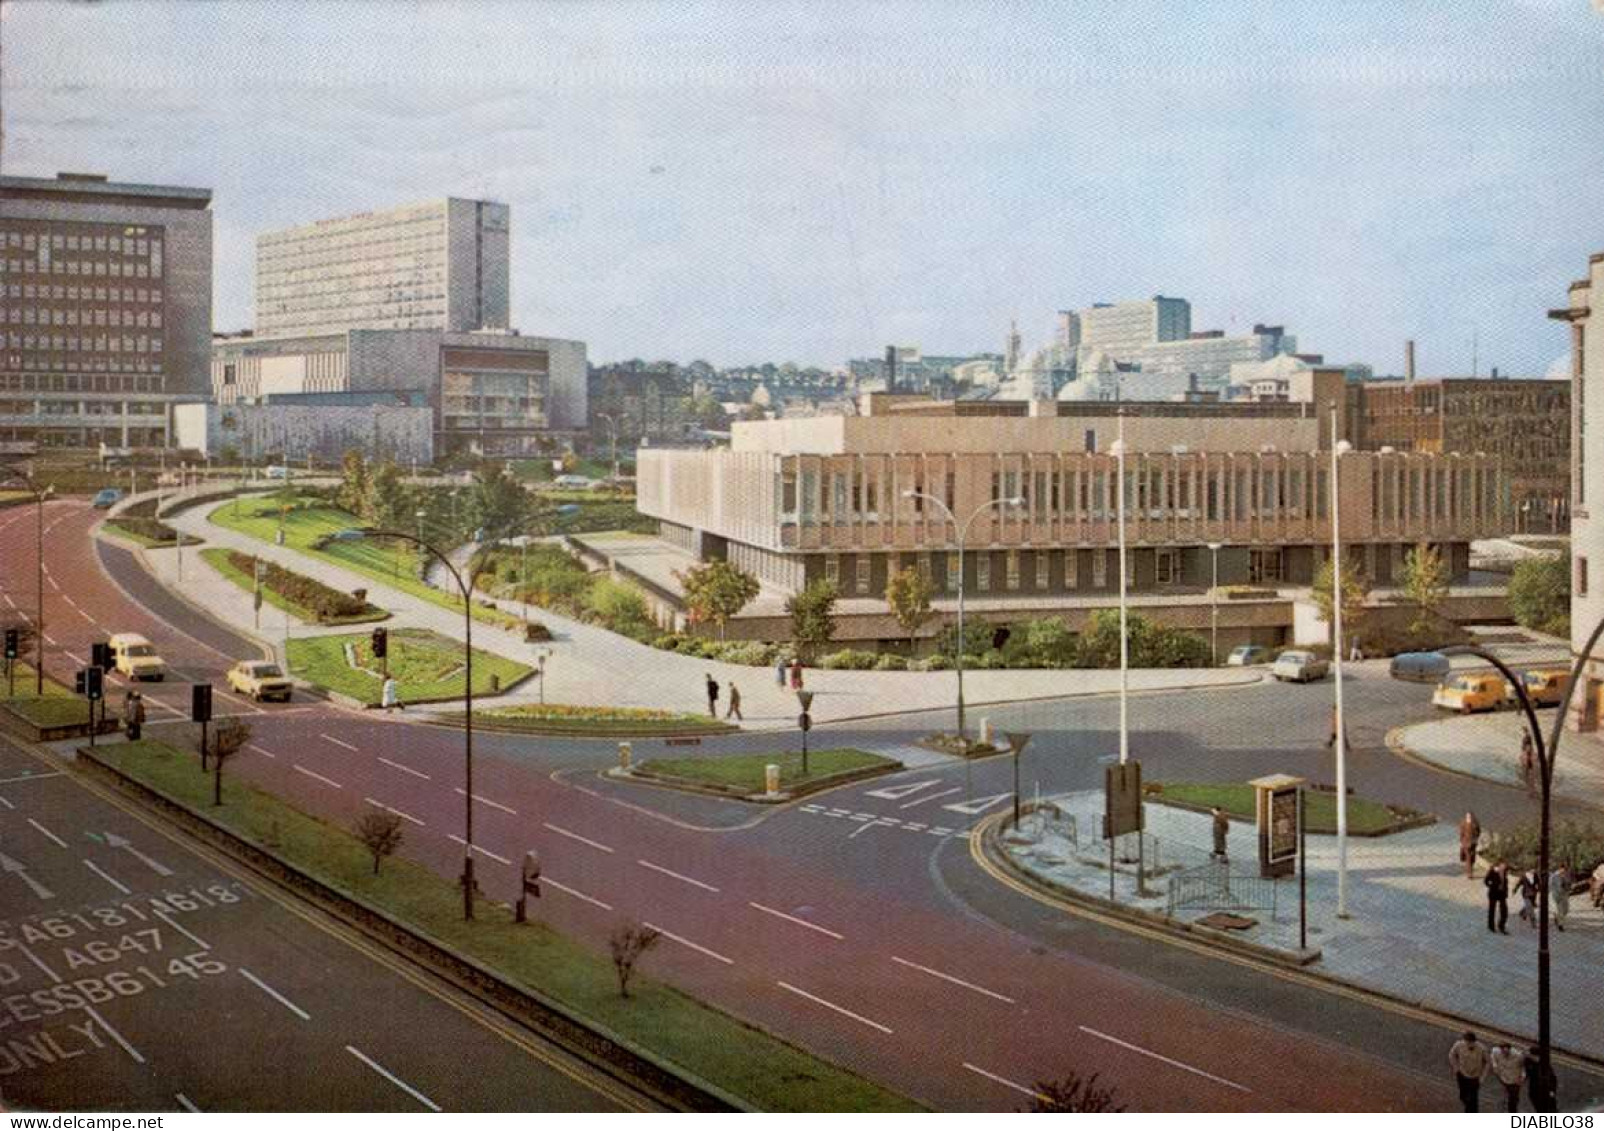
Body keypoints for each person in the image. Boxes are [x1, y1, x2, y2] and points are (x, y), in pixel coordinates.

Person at [1448, 1030, 1488, 1112]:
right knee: (1463, 1096)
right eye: (1467, 1042)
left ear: (1474, 1042)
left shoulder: (1482, 1048)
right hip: (1462, 1074)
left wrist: (1482, 1077)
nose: (1469, 1044)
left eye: (1471, 1042)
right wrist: (1456, 1068)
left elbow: (1487, 1062)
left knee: (1473, 1098)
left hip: (1475, 1077)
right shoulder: (1458, 1045)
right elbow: (1451, 1055)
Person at [1489, 1042, 1527, 1113]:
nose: (1504, 1054)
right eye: (1503, 1052)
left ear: (1510, 1049)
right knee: (1506, 1094)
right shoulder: (1496, 1052)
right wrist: (1494, 1066)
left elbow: (1523, 1068)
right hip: (1503, 1078)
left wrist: (1522, 1077)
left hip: (1515, 1080)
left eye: (1506, 1052)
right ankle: (1506, 1105)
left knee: (1513, 1099)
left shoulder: (1518, 1056)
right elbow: (1492, 1055)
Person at [1484, 861, 1510, 934]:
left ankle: (1501, 926)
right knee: (1492, 910)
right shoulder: (1493, 871)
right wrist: (1492, 885)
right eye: (1503, 866)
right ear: (1499, 866)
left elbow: (1505, 883)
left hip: (1502, 894)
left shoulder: (1505, 873)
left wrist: (1506, 892)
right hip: (1493, 893)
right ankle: (1491, 926)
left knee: (1504, 911)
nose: (1504, 868)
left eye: (1505, 867)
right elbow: (1486, 881)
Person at [1459, 811, 1481, 879]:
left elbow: (1479, 831)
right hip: (1466, 843)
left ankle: (1470, 870)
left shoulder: (1475, 823)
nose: (1469, 817)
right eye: (1468, 816)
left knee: (1472, 858)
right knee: (1468, 858)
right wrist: (1462, 841)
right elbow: (1461, 833)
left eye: (1470, 816)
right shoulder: (1463, 823)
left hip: (1473, 843)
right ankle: (1469, 873)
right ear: (1466, 816)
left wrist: (1476, 838)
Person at [1551, 864, 1571, 931]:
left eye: (1565, 870)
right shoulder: (1554, 876)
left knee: (1565, 910)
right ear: (1560, 868)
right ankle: (1560, 925)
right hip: (1555, 895)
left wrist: (1568, 888)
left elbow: (1569, 884)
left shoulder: (1566, 875)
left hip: (1564, 894)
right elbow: (1550, 885)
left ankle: (1557, 918)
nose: (1564, 871)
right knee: (1558, 910)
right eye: (1563, 869)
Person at [1519, 731, 1536, 796]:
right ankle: (1531, 791)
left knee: (1529, 777)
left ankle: (1531, 792)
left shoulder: (1528, 747)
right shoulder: (1528, 746)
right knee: (1528, 777)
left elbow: (1528, 753)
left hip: (1529, 762)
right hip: (1528, 762)